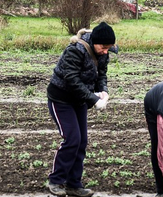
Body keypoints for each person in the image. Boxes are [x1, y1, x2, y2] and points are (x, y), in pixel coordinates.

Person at [46, 22, 116, 197]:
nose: (106, 51)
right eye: (103, 47)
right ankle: (56, 181)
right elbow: (71, 79)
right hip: (61, 99)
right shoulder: (76, 50)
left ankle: (73, 184)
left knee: (82, 141)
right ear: (94, 42)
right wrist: (93, 99)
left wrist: (103, 91)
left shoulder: (103, 54)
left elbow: (102, 75)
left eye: (109, 48)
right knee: (72, 139)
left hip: (79, 100)